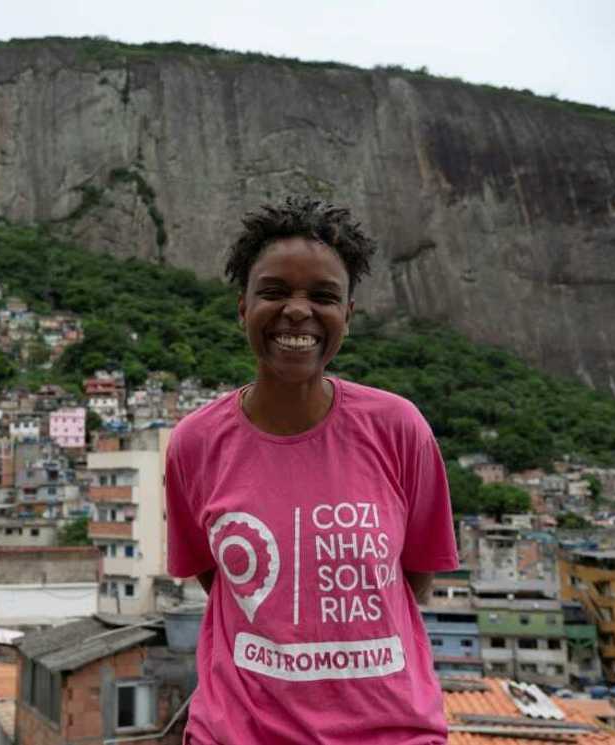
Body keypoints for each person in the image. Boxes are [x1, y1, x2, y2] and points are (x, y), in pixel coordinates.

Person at [165, 197, 458, 744]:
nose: (297, 311)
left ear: (347, 313)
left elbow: (412, 575)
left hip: (391, 731)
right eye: (274, 292)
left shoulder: (399, 428)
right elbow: (220, 577)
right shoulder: (195, 444)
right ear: (242, 307)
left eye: (322, 296)